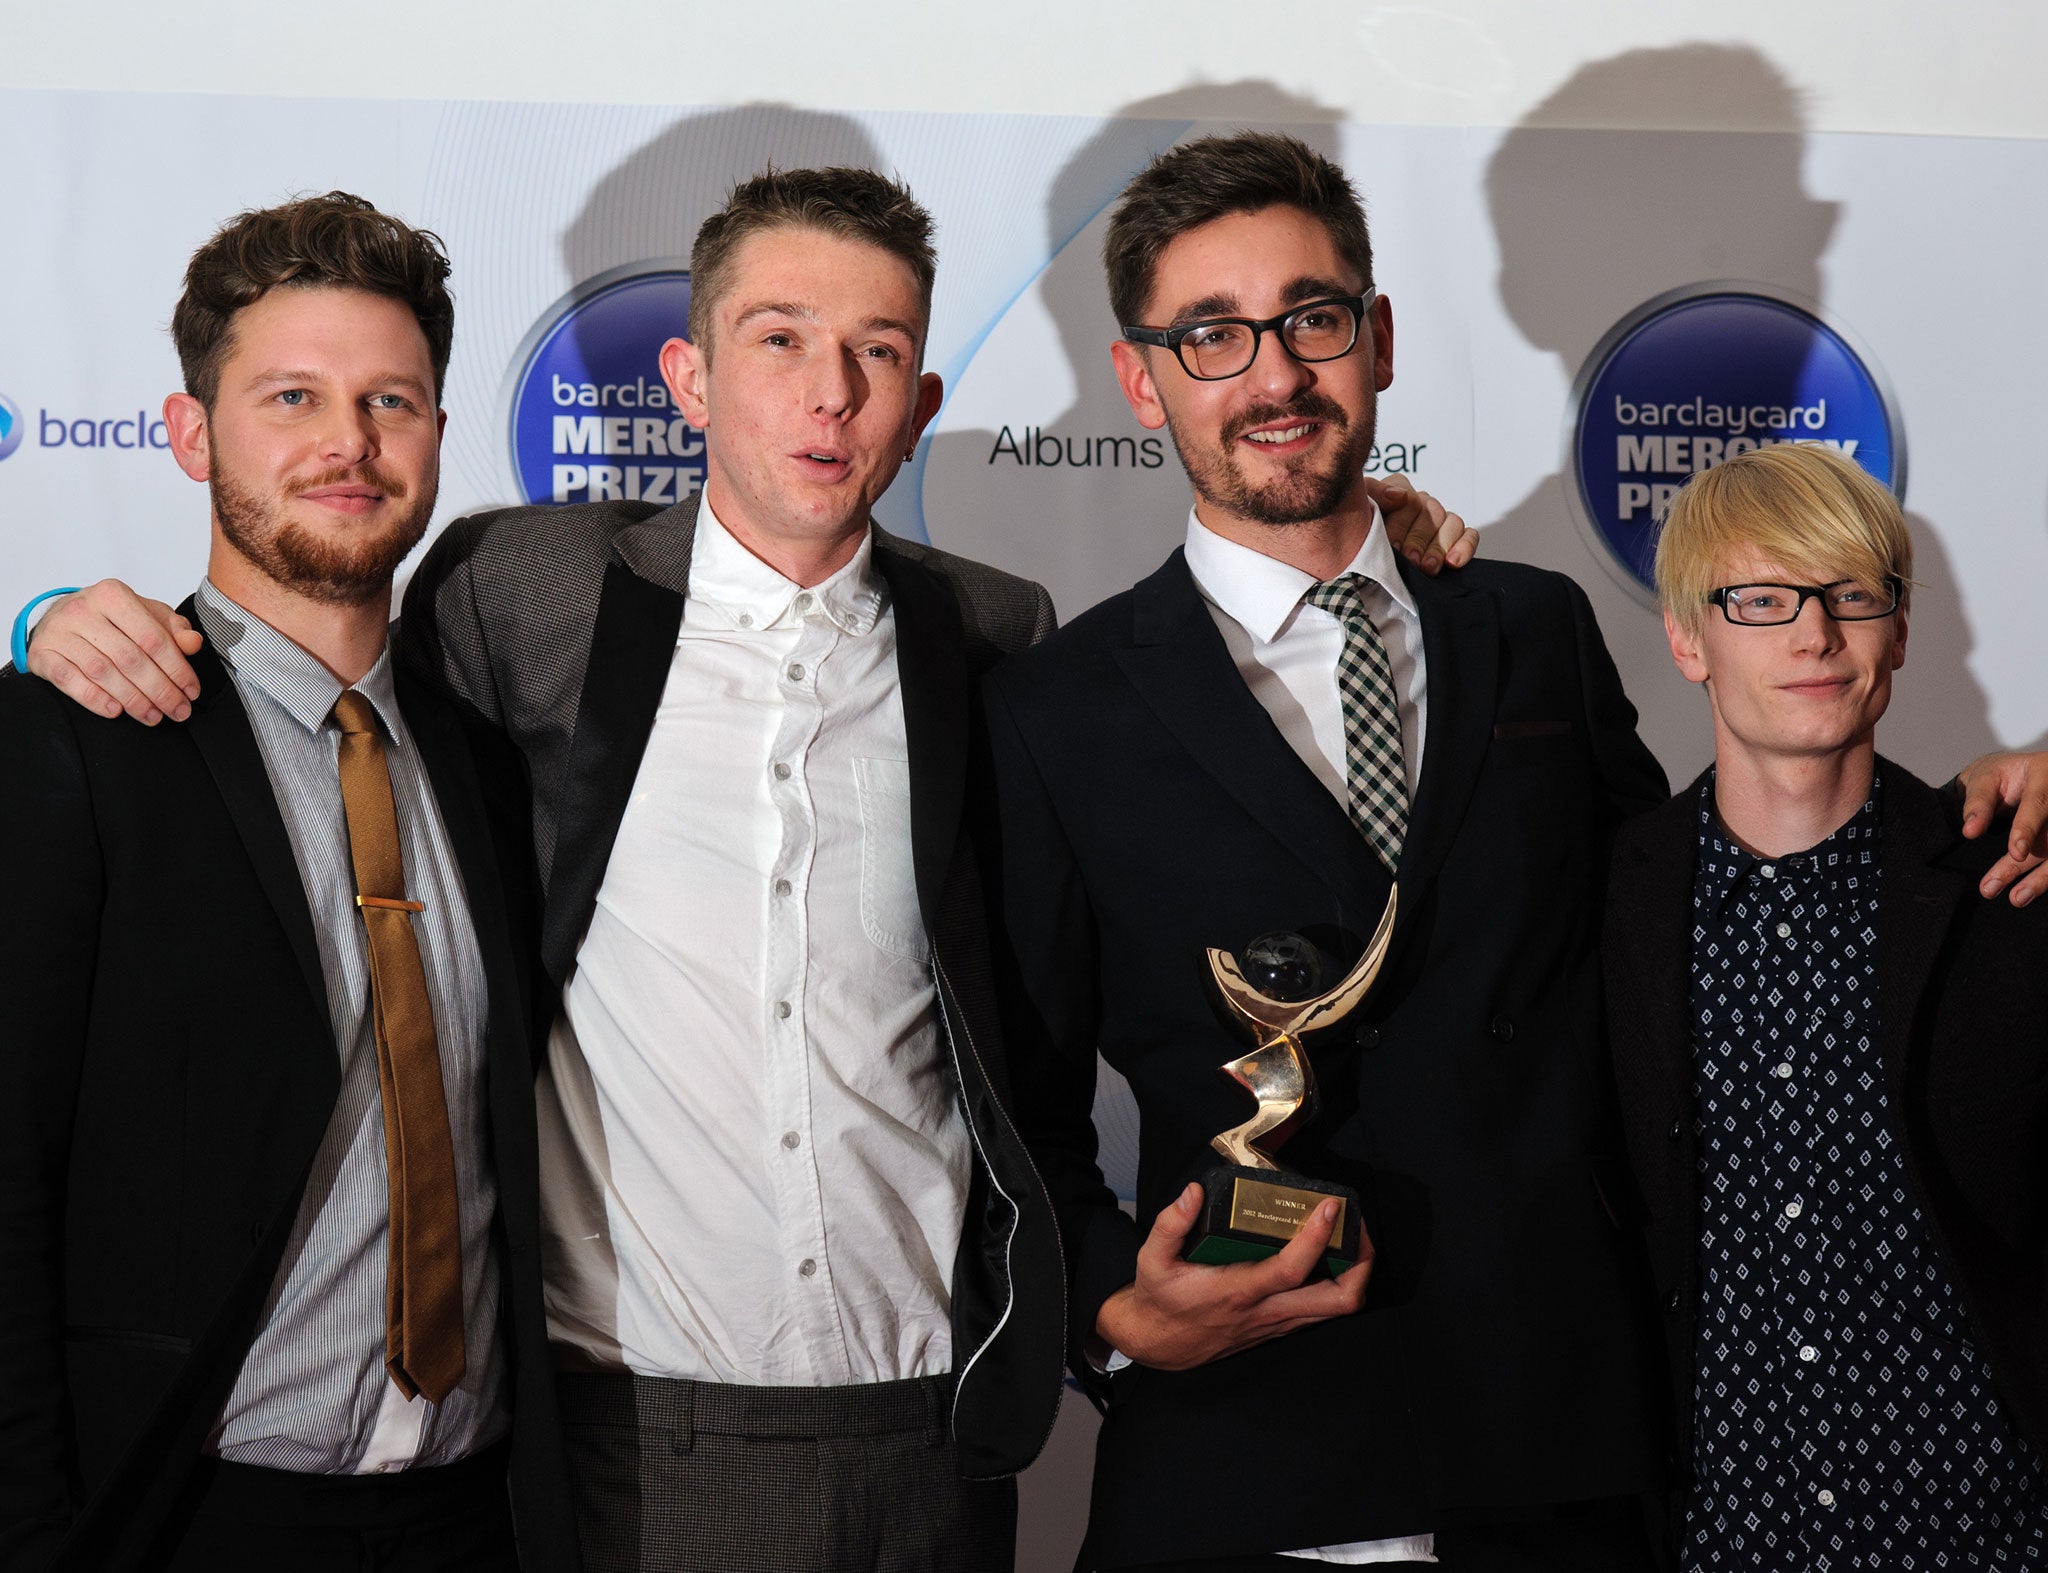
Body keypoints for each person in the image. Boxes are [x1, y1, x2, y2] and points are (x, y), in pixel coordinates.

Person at [15, 166, 1479, 1573]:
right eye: (779, 340)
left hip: (932, 1432)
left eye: (877, 351)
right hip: (619, 1436)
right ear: (691, 379)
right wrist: (96, 622)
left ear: (924, 404)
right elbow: (307, 639)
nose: (828, 392)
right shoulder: (522, 591)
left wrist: (1377, 556)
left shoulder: (996, 639)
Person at [979, 130, 2048, 1573]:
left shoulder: (1533, 627)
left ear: (1381, 338)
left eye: (1313, 318)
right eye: (1212, 336)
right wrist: (1113, 1301)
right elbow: (1012, 1112)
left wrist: (1977, 803)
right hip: (1254, 1448)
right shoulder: (1059, 710)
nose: (1276, 375)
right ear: (1139, 378)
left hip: (1562, 1456)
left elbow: (1686, 916)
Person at [0, 194, 574, 1571]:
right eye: (292, 396)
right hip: (188, 1515)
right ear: (192, 433)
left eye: (393, 399)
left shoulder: (490, 769)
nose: (348, 443)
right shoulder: (75, 741)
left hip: (474, 1514)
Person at [1604, 442, 2048, 1569]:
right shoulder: (1602, 899)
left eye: (1850, 595)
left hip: (1983, 1527)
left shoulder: (2011, 879)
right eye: (1761, 600)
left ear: (1895, 631)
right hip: (1711, 1531)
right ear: (1686, 638)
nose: (1812, 634)